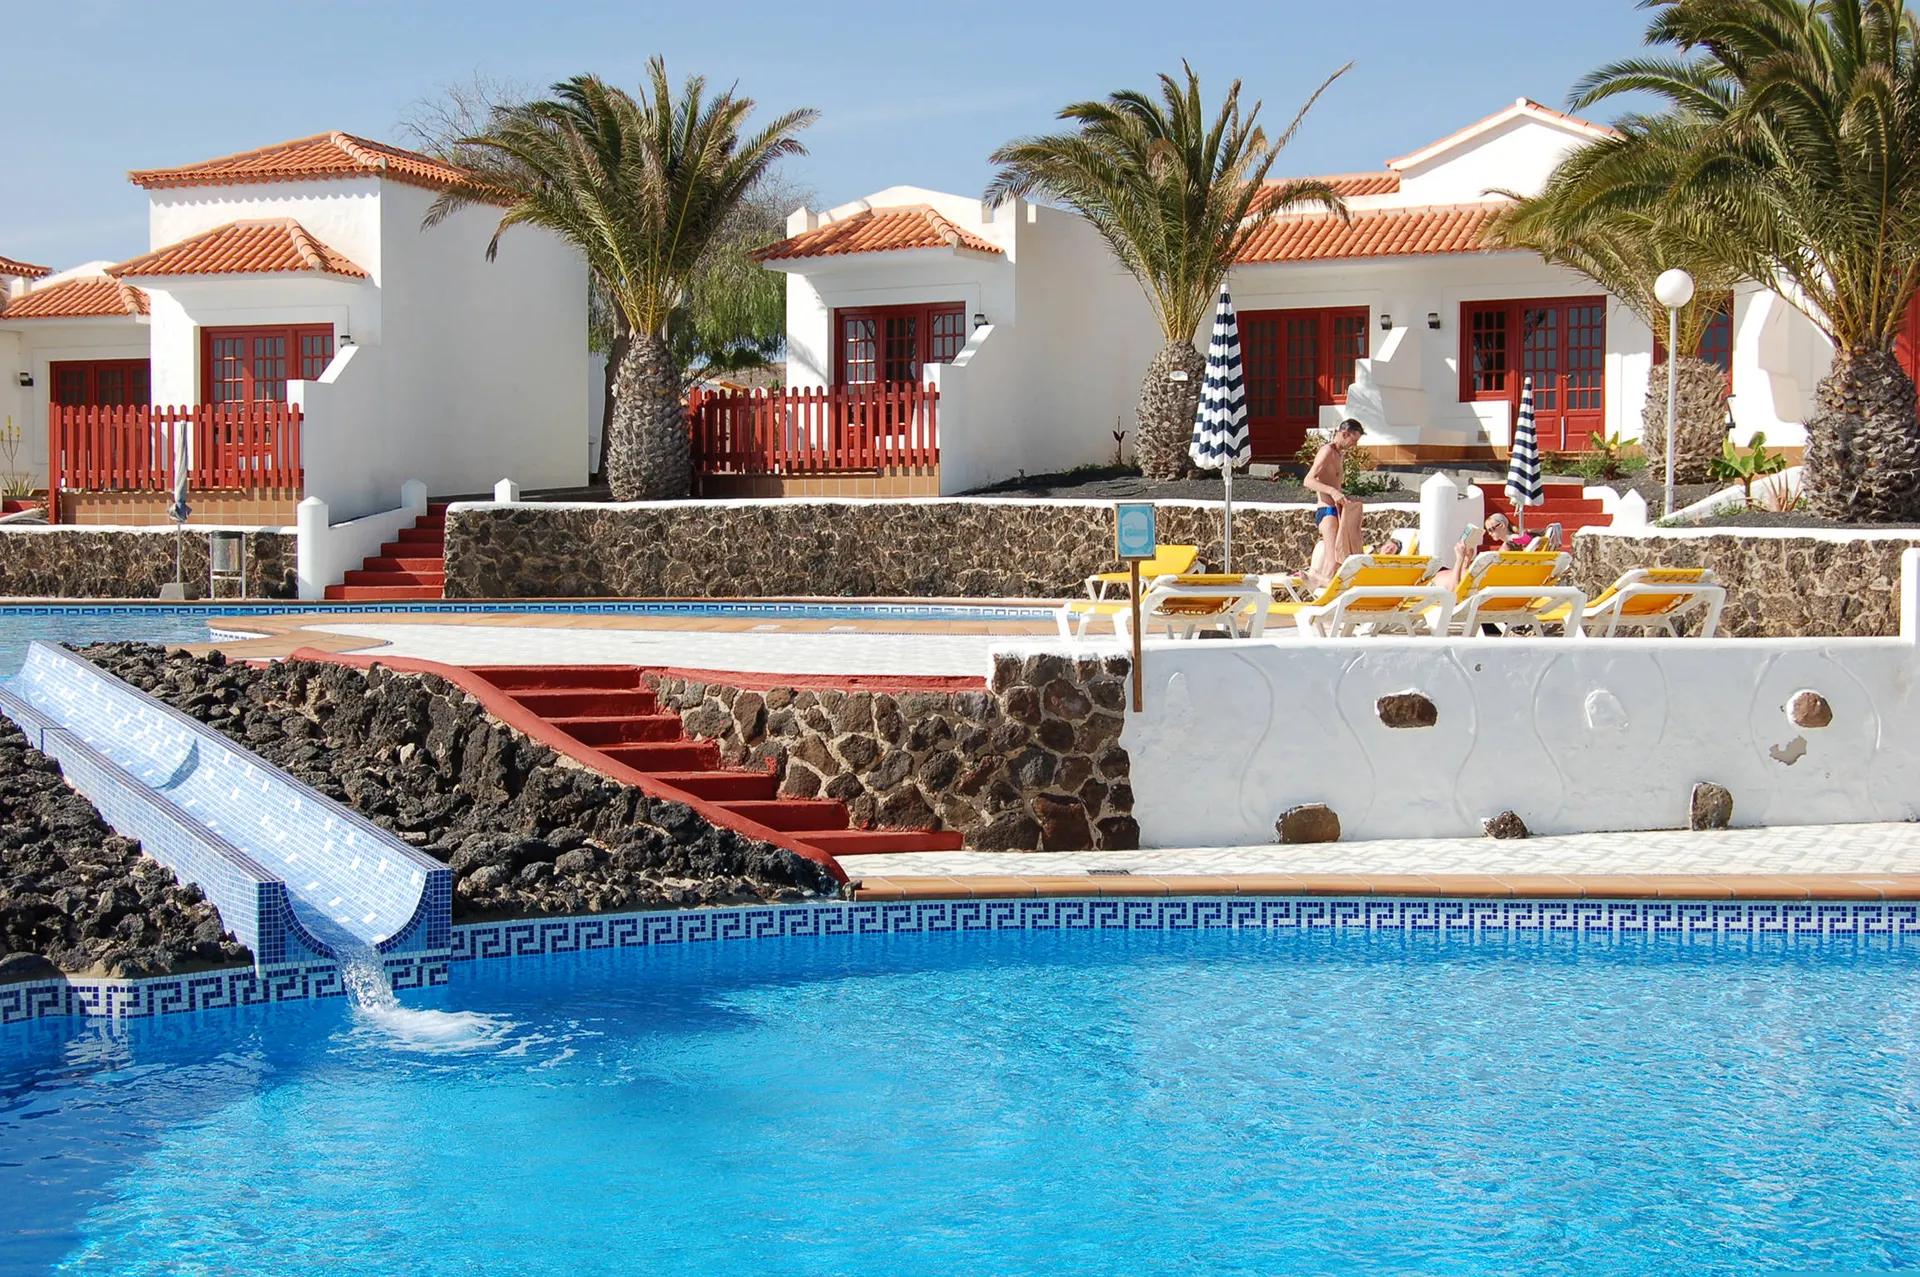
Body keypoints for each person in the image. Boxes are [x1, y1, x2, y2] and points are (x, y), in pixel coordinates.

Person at [1303, 420, 1367, 588]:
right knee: (1333, 562)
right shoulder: (1327, 451)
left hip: (1336, 511)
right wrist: (1332, 491)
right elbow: (1308, 480)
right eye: (1353, 440)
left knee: (1338, 562)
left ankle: (1318, 581)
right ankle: (1315, 581)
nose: (1354, 445)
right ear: (1344, 434)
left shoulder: (1339, 454)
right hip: (1327, 510)